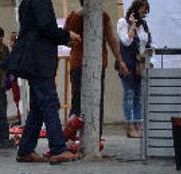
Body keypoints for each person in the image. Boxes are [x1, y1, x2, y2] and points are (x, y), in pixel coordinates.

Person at [14, 0, 80, 163]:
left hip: (33, 57)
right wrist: (67, 35)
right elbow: (45, 28)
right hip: (39, 58)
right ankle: (58, 148)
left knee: (38, 106)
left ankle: (25, 149)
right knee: (49, 101)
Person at [65, 0, 129, 138]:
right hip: (96, 63)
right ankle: (94, 136)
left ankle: (71, 136)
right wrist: (119, 59)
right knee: (96, 101)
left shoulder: (74, 16)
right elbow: (111, 38)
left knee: (77, 100)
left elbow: (66, 39)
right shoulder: (102, 15)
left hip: (79, 63)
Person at [117, 0, 151, 139]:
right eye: (143, 11)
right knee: (129, 95)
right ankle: (129, 126)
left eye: (146, 12)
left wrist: (149, 53)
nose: (145, 15)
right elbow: (126, 41)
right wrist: (132, 26)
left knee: (138, 95)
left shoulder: (144, 25)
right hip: (127, 63)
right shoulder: (123, 22)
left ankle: (138, 125)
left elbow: (147, 42)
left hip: (139, 64)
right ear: (135, 9)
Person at [0, 26, 10, 123]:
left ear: (1, 37)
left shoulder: (4, 49)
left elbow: (7, 62)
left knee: (1, 97)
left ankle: (2, 116)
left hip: (2, 77)